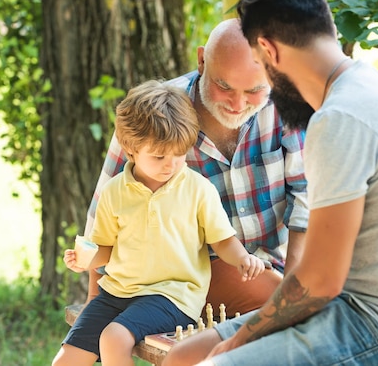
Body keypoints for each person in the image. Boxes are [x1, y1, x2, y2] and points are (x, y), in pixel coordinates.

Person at [163, 0, 378, 366]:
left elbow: (321, 281)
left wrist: (238, 344)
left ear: (268, 52)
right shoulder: (367, 90)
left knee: (214, 363)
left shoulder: (341, 118)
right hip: (353, 308)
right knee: (186, 355)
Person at [83, 18, 309, 316]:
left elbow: (306, 198)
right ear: (202, 61)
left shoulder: (287, 104)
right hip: (179, 277)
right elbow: (104, 211)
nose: (238, 104)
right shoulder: (157, 114)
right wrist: (93, 304)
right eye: (224, 86)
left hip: (273, 267)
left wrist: (291, 293)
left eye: (254, 90)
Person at [52, 80, 266, 366]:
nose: (171, 164)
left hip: (173, 295)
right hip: (117, 291)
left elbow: (222, 239)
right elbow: (105, 249)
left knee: (114, 338)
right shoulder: (114, 192)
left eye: (180, 154)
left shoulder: (198, 189)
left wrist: (242, 258)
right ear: (131, 151)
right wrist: (85, 260)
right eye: (159, 156)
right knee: (66, 361)